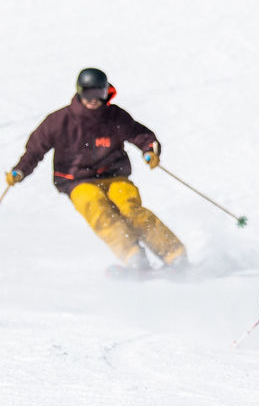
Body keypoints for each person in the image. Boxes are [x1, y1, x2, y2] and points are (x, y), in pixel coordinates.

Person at [5, 67, 188, 273]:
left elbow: (141, 135)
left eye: (99, 94)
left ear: (106, 92)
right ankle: (132, 255)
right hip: (76, 179)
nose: (93, 100)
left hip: (114, 175)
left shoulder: (114, 117)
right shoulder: (60, 121)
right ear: (79, 92)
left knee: (129, 208)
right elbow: (35, 150)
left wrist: (149, 150)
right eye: (88, 94)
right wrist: (19, 171)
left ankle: (173, 253)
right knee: (97, 208)